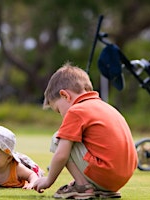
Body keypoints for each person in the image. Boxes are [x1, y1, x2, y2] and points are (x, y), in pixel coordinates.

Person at [32, 63, 138, 199]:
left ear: (65, 95)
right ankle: (96, 186)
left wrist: (48, 181)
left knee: (58, 138)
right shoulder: (106, 107)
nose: (62, 115)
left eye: (59, 110)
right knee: (71, 137)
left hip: (105, 174)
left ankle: (83, 187)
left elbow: (61, 155)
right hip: (120, 179)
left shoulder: (76, 111)